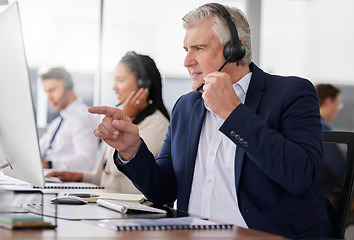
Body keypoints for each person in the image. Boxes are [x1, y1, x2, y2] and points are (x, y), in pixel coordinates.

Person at [88, 3, 342, 239]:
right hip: (193, 233)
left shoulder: (291, 93)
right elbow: (164, 191)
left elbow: (301, 176)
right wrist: (132, 151)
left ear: (235, 50)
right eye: (186, 50)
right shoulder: (186, 106)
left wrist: (233, 113)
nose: (187, 61)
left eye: (198, 48)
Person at [46, 52, 170, 192]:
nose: (114, 87)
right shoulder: (132, 119)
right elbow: (108, 176)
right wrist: (81, 177)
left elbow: (117, 168)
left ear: (143, 84)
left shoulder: (157, 124)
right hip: (110, 200)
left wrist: (125, 115)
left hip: (132, 208)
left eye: (120, 80)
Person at [39, 67, 99, 171]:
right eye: (46, 92)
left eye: (52, 90)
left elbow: (87, 162)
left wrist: (49, 165)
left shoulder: (82, 117)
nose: (49, 98)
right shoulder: (57, 122)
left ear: (67, 85)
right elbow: (40, 149)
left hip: (65, 182)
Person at [315, 83, 346, 198]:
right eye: (337, 105)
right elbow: (340, 169)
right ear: (328, 102)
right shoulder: (322, 128)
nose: (337, 111)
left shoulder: (306, 124)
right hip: (324, 193)